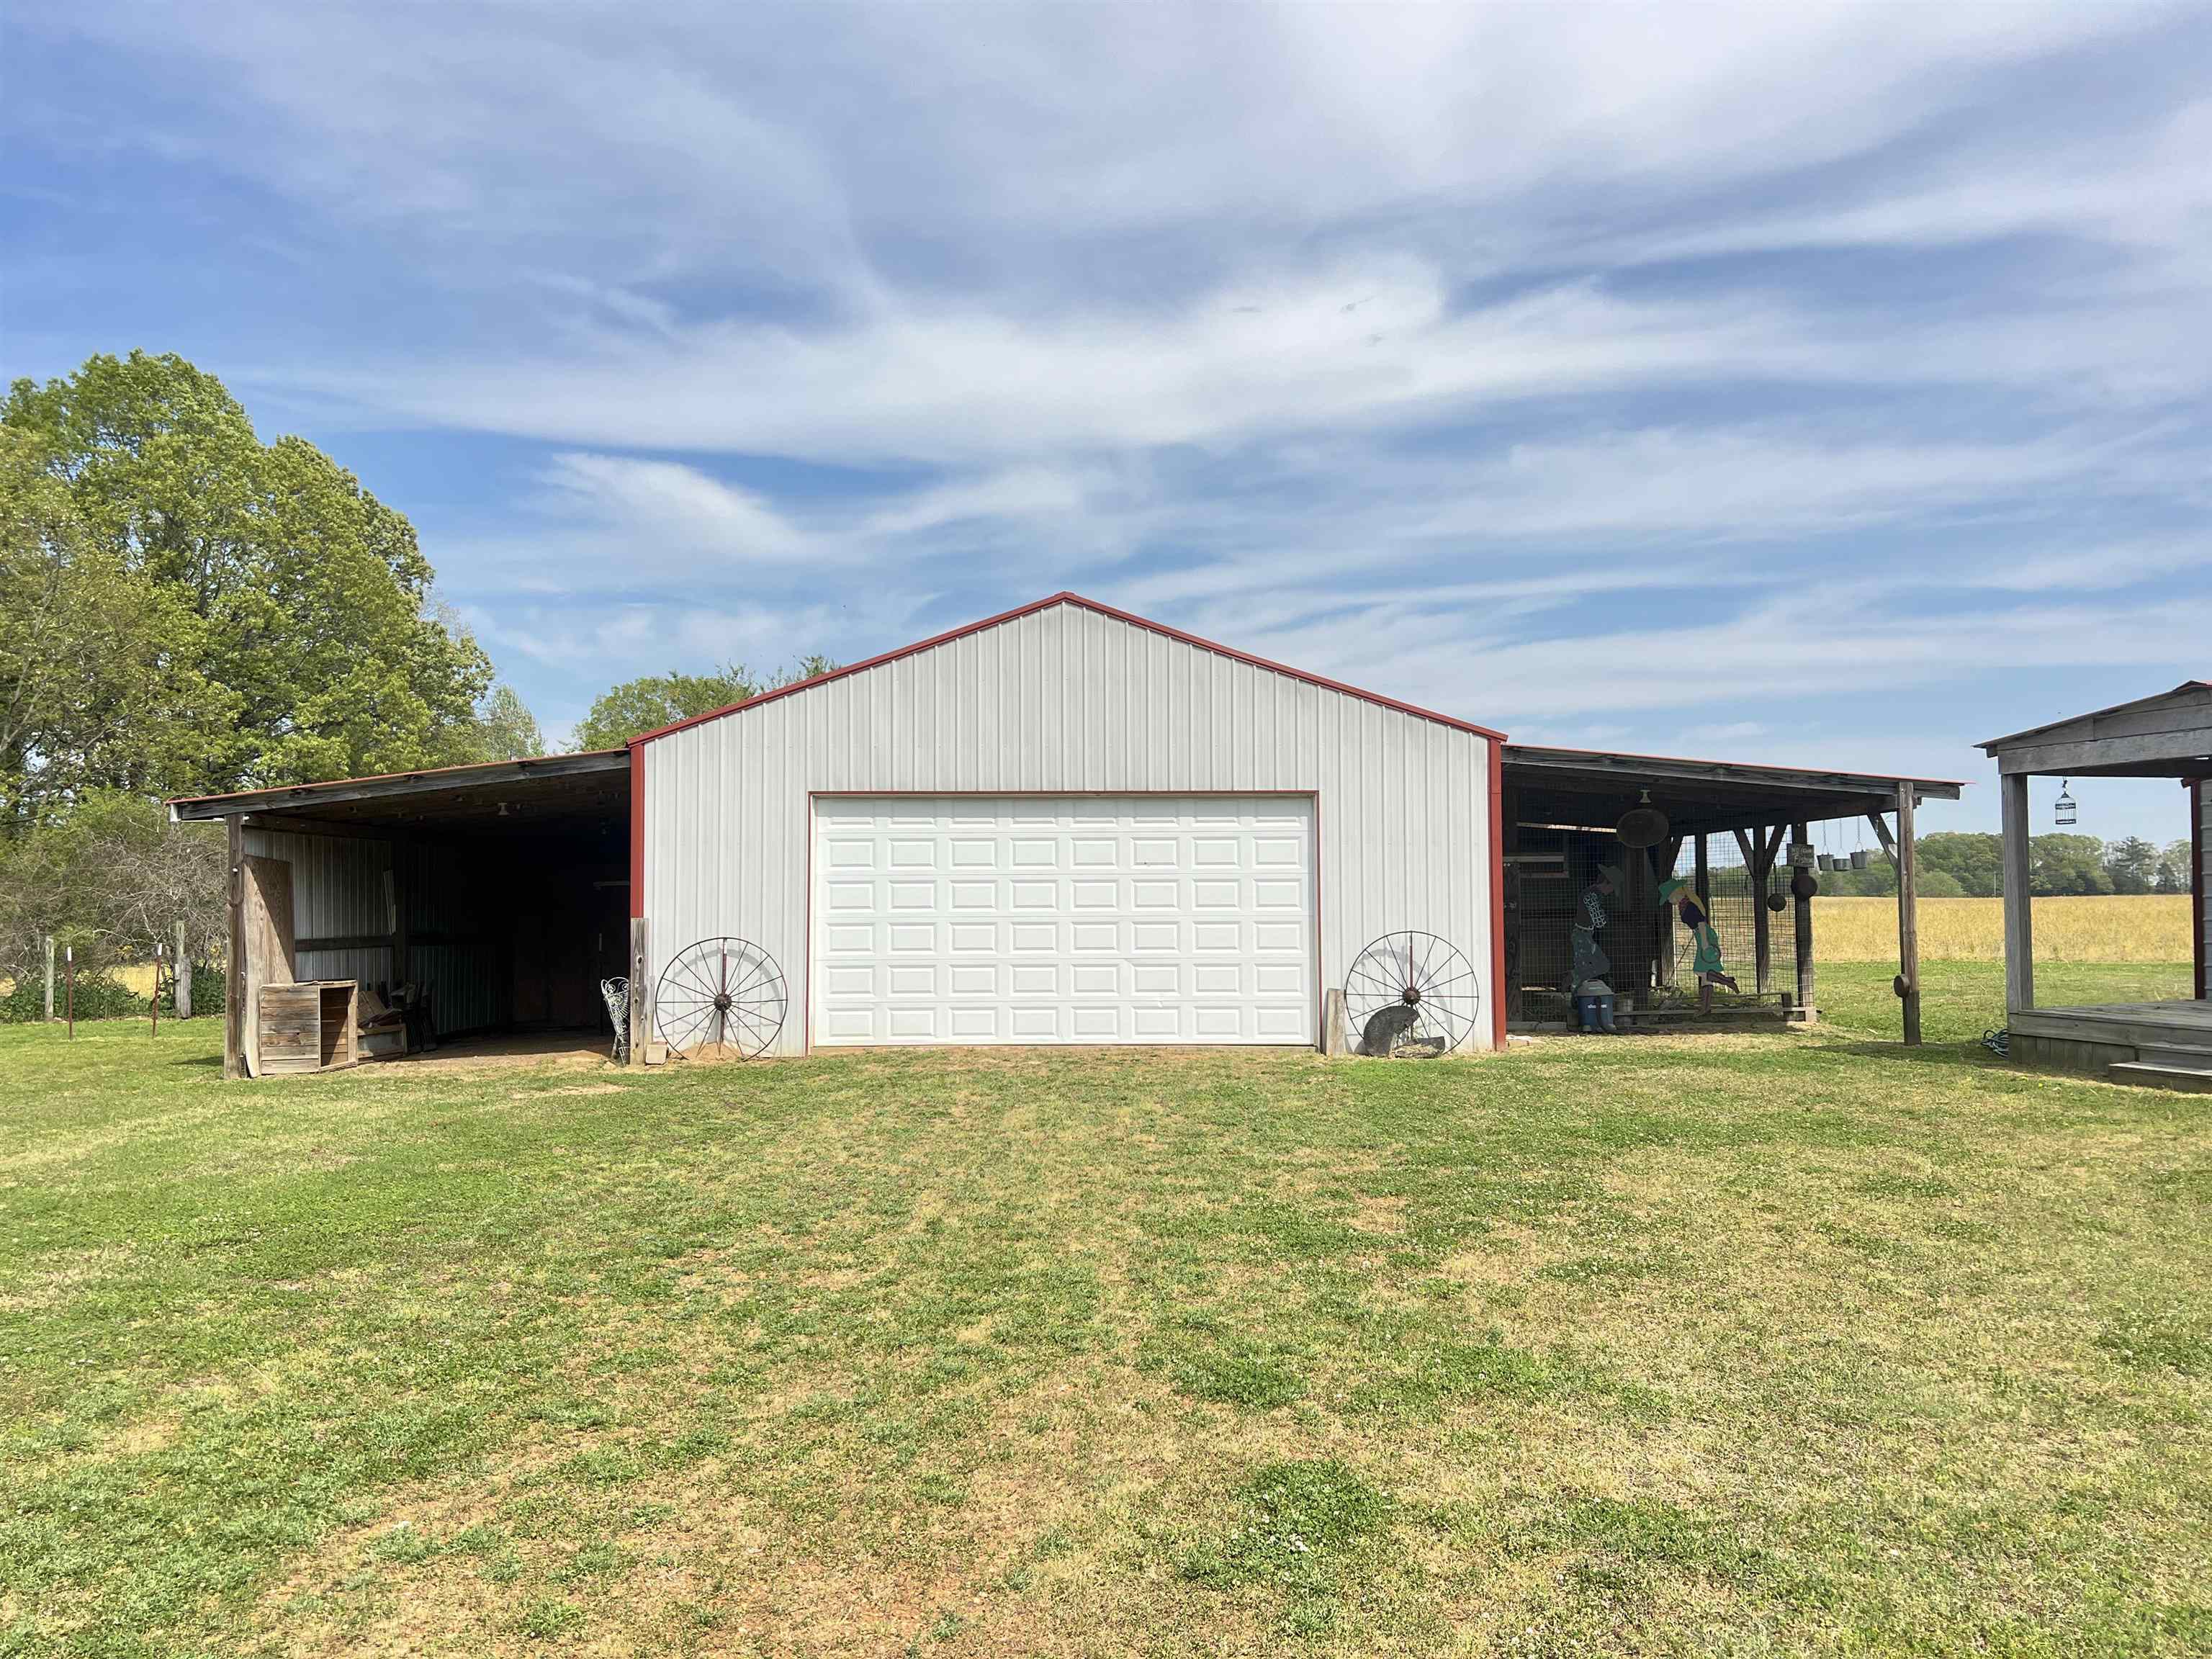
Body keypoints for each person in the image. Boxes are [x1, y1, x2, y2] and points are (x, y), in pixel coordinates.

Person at [1658, 877, 1740, 1015]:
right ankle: (1706, 1006)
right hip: (1701, 934)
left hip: (1704, 935)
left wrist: (1705, 944)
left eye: (1669, 897)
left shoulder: (1689, 906)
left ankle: (1726, 982)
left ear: (1676, 893)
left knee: (1701, 971)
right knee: (1704, 974)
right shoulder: (1684, 905)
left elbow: (1701, 923)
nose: (1669, 901)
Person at [1570, 863, 1623, 1033]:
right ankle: (1575, 988)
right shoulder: (1592, 895)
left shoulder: (1593, 894)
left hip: (1586, 934)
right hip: (1582, 936)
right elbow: (1600, 920)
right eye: (1611, 888)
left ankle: (1579, 988)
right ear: (1607, 883)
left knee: (1592, 966)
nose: (1610, 893)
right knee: (1601, 965)